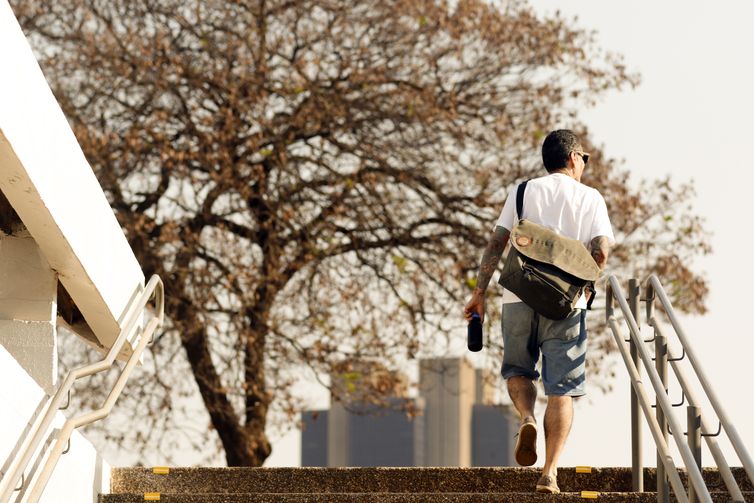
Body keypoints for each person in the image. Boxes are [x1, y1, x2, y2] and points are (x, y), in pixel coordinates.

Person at [463, 129, 615, 494]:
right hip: (566, 305)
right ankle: (549, 473)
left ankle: (527, 418)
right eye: (584, 159)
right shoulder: (591, 198)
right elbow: (602, 250)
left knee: (518, 370)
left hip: (518, 296)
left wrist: (479, 292)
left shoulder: (522, 191)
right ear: (574, 157)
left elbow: (497, 241)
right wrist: (585, 280)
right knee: (562, 390)